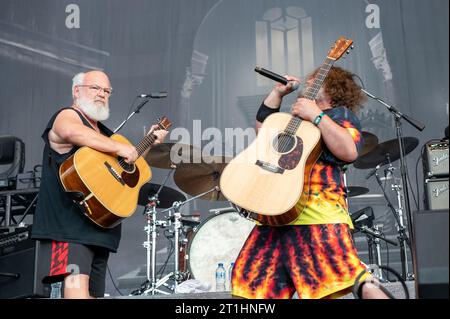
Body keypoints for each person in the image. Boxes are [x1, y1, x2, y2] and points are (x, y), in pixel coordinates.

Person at [231, 66, 388, 299]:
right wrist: (277, 93)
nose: (309, 81)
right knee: (248, 286)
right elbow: (263, 131)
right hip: (274, 219)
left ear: (333, 88)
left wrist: (317, 115)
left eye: (317, 79)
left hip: (317, 219)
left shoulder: (339, 115)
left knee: (354, 280)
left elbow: (349, 150)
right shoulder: (294, 120)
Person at [31, 70, 168, 299]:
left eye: (107, 91)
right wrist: (120, 148)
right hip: (69, 228)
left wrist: (148, 143)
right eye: (95, 88)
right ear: (77, 91)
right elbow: (71, 131)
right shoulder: (67, 115)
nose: (102, 94)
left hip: (99, 228)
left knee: (93, 294)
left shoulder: (104, 134)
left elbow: (124, 167)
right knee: (76, 291)